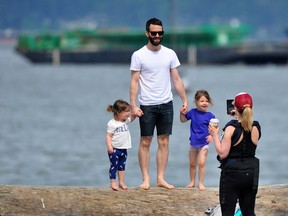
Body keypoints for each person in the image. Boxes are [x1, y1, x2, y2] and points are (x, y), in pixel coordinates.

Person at [129, 17, 188, 190]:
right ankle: (145, 178)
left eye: (160, 33)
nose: (157, 35)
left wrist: (184, 100)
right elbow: (134, 81)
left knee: (164, 141)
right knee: (145, 141)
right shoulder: (138, 55)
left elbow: (176, 79)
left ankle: (160, 178)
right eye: (153, 33)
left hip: (166, 103)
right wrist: (133, 105)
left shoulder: (169, 53)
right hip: (146, 104)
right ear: (147, 33)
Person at [209, 92, 261, 216]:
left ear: (236, 109)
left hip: (232, 175)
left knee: (228, 212)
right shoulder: (256, 127)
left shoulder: (230, 128)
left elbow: (222, 153)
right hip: (250, 173)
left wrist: (214, 135)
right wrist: (238, 116)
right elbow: (245, 127)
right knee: (248, 211)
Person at [180, 90, 215, 191]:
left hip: (204, 143)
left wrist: (212, 137)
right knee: (192, 163)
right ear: (195, 102)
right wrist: (181, 114)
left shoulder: (210, 116)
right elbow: (183, 120)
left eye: (206, 101)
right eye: (201, 101)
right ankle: (192, 182)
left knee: (201, 163)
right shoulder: (192, 112)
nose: (204, 103)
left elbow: (215, 128)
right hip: (193, 142)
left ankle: (200, 183)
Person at [106, 99, 136, 191]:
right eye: (126, 111)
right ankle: (113, 182)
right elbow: (108, 136)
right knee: (114, 166)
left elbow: (132, 118)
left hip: (124, 149)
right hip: (115, 149)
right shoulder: (112, 124)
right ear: (119, 112)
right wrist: (109, 146)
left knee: (122, 167)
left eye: (129, 111)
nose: (128, 113)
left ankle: (122, 182)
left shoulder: (125, 121)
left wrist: (136, 114)